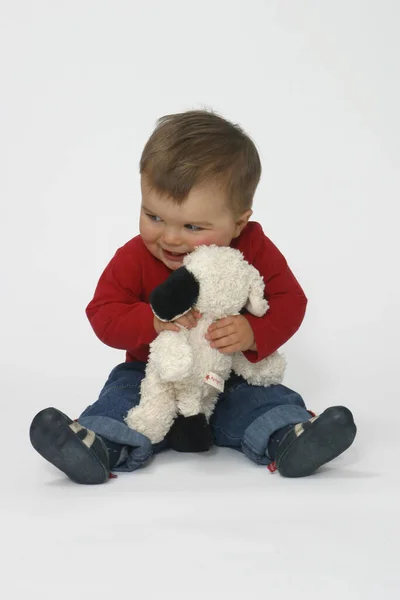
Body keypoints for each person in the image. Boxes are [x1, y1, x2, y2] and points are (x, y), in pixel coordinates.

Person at [29, 110, 356, 484]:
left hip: (227, 374)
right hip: (154, 376)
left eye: (192, 226)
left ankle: (289, 439)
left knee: (262, 397)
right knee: (122, 393)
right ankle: (97, 445)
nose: (169, 238)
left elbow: (290, 300)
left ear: (238, 222)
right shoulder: (134, 256)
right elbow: (103, 312)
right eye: (153, 216)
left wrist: (253, 332)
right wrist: (149, 322)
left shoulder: (254, 248)